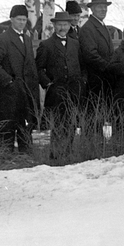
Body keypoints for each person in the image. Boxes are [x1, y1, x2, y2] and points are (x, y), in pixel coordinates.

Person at [0, 4, 39, 153]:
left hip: (25, 90)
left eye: (24, 19)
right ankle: (5, 157)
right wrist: (8, 80)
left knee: (25, 124)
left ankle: (25, 155)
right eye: (18, 19)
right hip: (9, 91)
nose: (22, 22)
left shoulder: (27, 39)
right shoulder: (2, 40)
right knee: (8, 125)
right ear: (11, 19)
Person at [35, 11, 84, 153]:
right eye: (59, 24)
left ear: (70, 26)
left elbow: (82, 66)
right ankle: (56, 154)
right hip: (56, 92)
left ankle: (68, 152)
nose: (62, 27)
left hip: (74, 91)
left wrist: (82, 81)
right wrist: (48, 84)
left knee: (71, 123)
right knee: (58, 124)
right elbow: (38, 68)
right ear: (54, 26)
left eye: (65, 24)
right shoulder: (46, 45)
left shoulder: (75, 44)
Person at [79, 0, 115, 102]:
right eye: (100, 7)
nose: (103, 9)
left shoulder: (103, 26)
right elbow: (90, 55)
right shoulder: (88, 28)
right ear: (92, 9)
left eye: (105, 7)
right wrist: (109, 67)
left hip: (106, 79)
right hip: (95, 80)